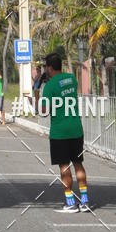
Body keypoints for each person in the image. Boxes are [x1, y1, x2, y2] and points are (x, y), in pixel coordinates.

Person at [40, 53, 90, 213]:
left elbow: (44, 111)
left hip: (60, 132)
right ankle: (84, 200)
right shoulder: (71, 79)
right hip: (76, 128)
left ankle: (70, 202)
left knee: (64, 166)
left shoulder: (49, 87)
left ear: (49, 67)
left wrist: (37, 90)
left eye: (46, 67)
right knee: (78, 163)